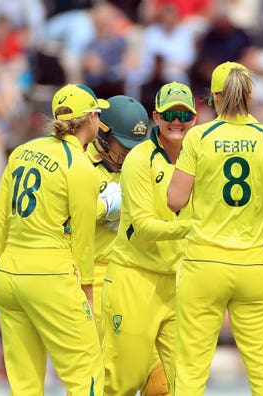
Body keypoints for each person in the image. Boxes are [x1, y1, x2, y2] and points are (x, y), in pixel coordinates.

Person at [167, 61, 263, 395]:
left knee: (190, 369)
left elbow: (175, 200)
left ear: (214, 97)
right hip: (253, 265)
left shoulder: (199, 136)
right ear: (251, 95)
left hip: (204, 263)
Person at [0, 84, 107, 395]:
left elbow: (0, 212)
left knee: (24, 382)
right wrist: (87, 288)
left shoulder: (23, 150)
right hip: (50, 275)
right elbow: (83, 236)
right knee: (86, 372)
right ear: (91, 118)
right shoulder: (79, 165)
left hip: (10, 276)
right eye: (97, 115)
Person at [102, 81, 196, 395]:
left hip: (177, 282)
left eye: (184, 114)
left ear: (194, 118)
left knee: (179, 384)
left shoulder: (199, 158)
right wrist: (196, 228)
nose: (177, 121)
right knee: (122, 381)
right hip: (135, 278)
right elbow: (143, 226)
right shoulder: (140, 159)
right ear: (156, 116)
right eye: (170, 114)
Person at [87, 95, 169, 394]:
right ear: (102, 134)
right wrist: (99, 207)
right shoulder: (81, 164)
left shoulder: (144, 165)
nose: (129, 156)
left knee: (161, 384)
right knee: (103, 378)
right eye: (123, 148)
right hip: (91, 281)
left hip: (134, 277)